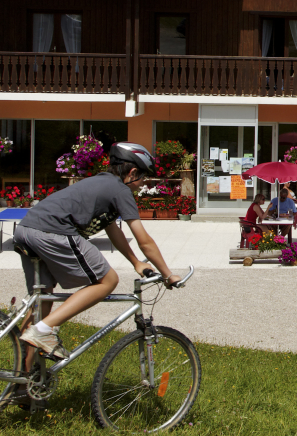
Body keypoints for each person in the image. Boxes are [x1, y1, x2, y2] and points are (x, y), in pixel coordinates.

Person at [14, 142, 181, 362]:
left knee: (42, 303)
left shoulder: (100, 182)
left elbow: (112, 228)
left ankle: (23, 384)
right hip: (53, 232)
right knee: (108, 280)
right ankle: (44, 331)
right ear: (132, 172)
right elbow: (144, 241)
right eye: (143, 177)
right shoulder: (121, 190)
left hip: (26, 230)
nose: (143, 183)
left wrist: (135, 263)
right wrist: (168, 274)